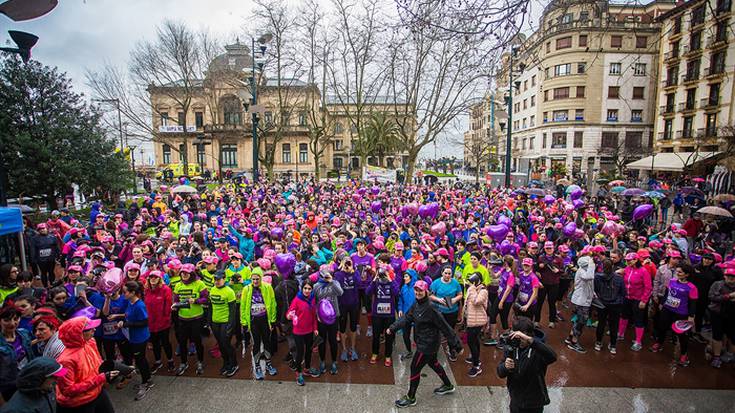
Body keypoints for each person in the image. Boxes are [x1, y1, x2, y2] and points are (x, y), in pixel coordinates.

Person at [56, 316, 118, 413]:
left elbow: (98, 363)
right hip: (79, 404)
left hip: (97, 392)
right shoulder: (64, 361)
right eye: (89, 329)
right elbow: (68, 390)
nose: (95, 329)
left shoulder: (90, 342)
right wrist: (100, 379)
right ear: (77, 334)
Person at [496, 317, 557, 413]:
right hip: (516, 400)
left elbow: (553, 356)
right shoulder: (512, 347)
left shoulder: (538, 350)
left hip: (534, 402)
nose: (520, 341)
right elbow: (500, 373)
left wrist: (530, 340)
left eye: (522, 338)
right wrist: (505, 367)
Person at [650, 263, 698, 367]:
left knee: (682, 335)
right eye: (677, 272)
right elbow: (667, 294)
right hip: (667, 310)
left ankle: (684, 355)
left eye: (680, 272)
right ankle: (659, 343)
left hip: (681, 314)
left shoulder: (692, 287)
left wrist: (691, 316)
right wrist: (662, 304)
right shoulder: (671, 282)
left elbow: (693, 303)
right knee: (661, 328)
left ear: (687, 274)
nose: (677, 273)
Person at [172, 264, 208, 376]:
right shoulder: (178, 285)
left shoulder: (199, 284)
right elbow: (176, 300)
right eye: (182, 273)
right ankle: (183, 363)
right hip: (182, 319)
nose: (184, 274)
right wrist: (175, 306)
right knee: (182, 342)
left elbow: (206, 299)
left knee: (197, 341)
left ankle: (200, 362)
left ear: (192, 273)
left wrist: (196, 300)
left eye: (186, 273)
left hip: (196, 318)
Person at [119, 281, 153, 400]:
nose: (123, 294)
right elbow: (128, 315)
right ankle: (146, 379)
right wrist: (121, 319)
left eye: (125, 292)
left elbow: (144, 322)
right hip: (132, 337)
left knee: (140, 360)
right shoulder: (130, 302)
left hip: (140, 338)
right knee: (139, 359)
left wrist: (127, 324)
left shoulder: (139, 305)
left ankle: (146, 382)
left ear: (133, 292)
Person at [240, 272, 277, 379]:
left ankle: (268, 363)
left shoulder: (267, 287)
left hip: (265, 320)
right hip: (253, 321)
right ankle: (257, 365)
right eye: (253, 279)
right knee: (256, 343)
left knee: (267, 341)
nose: (255, 281)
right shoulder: (246, 289)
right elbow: (243, 306)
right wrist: (244, 323)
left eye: (257, 279)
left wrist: (273, 320)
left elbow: (273, 303)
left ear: (261, 278)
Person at [0, 356, 68, 413]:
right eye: (54, 377)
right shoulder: (16, 410)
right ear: (39, 379)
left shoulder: (47, 389)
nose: (56, 381)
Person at [0, 304, 36, 404]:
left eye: (16, 319)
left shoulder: (24, 334)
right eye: (7, 320)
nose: (12, 323)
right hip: (7, 389)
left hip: (27, 382)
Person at [617, 252, 652, 351]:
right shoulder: (628, 269)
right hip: (627, 297)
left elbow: (648, 287)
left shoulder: (643, 271)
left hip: (638, 299)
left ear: (636, 260)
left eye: (629, 260)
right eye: (626, 260)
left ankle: (638, 341)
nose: (627, 262)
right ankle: (620, 334)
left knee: (638, 319)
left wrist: (644, 300)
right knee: (623, 316)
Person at [287, 281, 319, 385]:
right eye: (305, 288)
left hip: (309, 330)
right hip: (298, 331)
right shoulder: (297, 300)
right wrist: (289, 316)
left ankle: (307, 368)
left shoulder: (312, 299)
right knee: (300, 353)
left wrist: (315, 328)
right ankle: (298, 372)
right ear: (302, 288)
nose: (307, 291)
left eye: (309, 289)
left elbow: (314, 315)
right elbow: (289, 313)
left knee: (309, 350)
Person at [143, 271, 174, 373]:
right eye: (151, 277)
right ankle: (158, 361)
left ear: (160, 279)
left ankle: (170, 361)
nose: (153, 279)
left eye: (155, 277)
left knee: (165, 342)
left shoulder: (165, 289)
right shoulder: (146, 290)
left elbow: (168, 305)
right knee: (155, 343)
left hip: (163, 322)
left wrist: (165, 318)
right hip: (151, 322)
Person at [429, 266, 462, 361]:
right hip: (439, 312)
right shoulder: (436, 283)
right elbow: (430, 295)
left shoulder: (455, 283)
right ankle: (434, 350)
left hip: (452, 311)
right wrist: (438, 299)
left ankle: (452, 350)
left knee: (450, 332)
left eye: (449, 273)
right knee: (436, 331)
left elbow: (460, 295)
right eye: (446, 273)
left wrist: (454, 299)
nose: (447, 275)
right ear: (442, 273)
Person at [367, 267, 399, 366]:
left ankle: (388, 355)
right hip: (377, 314)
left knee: (389, 336)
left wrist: (390, 280)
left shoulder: (392, 282)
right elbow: (367, 292)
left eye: (384, 274)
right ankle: (375, 353)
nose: (382, 276)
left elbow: (396, 292)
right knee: (376, 335)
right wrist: (374, 279)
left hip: (389, 315)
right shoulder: (376, 282)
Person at [313, 270, 343, 375]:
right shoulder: (316, 286)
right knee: (322, 340)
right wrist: (317, 315)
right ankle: (322, 361)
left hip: (333, 317)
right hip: (321, 318)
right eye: (324, 276)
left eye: (328, 275)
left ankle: (334, 361)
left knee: (333, 340)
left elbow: (340, 292)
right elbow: (314, 301)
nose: (326, 277)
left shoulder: (335, 283)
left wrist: (331, 281)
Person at [593, 259, 625, 354]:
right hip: (615, 305)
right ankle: (613, 346)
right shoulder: (619, 278)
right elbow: (623, 292)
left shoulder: (597, 277)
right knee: (614, 325)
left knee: (601, 323)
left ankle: (598, 343)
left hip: (602, 304)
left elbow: (596, 289)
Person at [565, 255, 595, 354]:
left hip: (584, 300)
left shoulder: (585, 270)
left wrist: (593, 293)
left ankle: (570, 338)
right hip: (581, 301)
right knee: (581, 322)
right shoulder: (582, 271)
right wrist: (591, 265)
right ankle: (574, 342)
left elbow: (590, 283)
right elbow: (589, 277)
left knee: (578, 320)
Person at [707, 268, 735, 368]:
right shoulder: (717, 284)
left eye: (733, 277)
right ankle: (717, 357)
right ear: (725, 276)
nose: (731, 278)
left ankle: (731, 355)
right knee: (717, 336)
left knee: (732, 336)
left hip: (732, 315)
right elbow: (711, 297)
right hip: (717, 314)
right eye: (729, 276)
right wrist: (728, 296)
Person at [463, 273, 488, 377]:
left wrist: (472, 289)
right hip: (471, 319)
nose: (469, 284)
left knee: (471, 341)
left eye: (471, 282)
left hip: (477, 320)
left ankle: (476, 366)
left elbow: (476, 301)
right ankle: (475, 358)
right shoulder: (473, 289)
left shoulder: (483, 291)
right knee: (475, 340)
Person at [30, 224, 60, 288]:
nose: (42, 230)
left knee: (51, 271)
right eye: (40, 229)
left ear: (47, 228)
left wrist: (58, 255)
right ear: (38, 230)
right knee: (43, 273)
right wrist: (33, 259)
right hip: (41, 260)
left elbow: (56, 247)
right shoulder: (34, 239)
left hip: (51, 258)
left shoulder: (53, 237)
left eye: (43, 228)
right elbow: (33, 249)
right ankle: (45, 286)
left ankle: (52, 284)